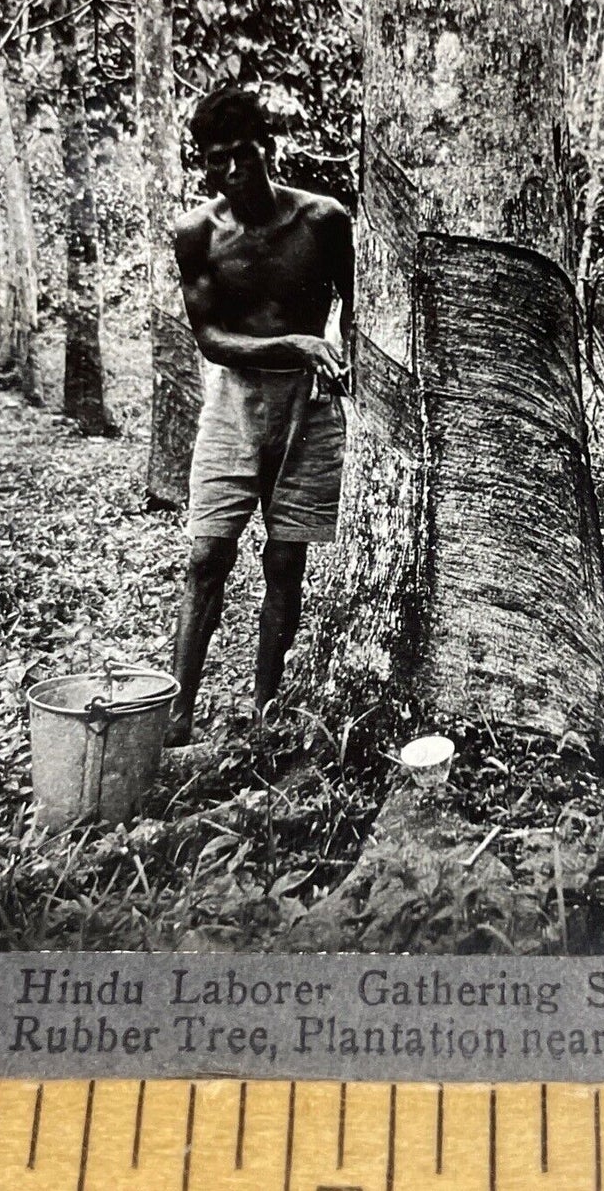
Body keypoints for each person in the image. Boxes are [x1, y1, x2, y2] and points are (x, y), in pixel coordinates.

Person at [167, 85, 353, 747]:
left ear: (267, 147)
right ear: (205, 164)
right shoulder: (197, 233)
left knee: (284, 559)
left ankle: (265, 708)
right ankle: (178, 713)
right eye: (218, 160)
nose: (233, 171)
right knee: (206, 553)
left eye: (243, 154)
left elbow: (358, 310)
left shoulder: (325, 219)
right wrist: (294, 345)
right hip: (234, 402)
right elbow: (210, 338)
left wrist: (341, 365)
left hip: (309, 407)